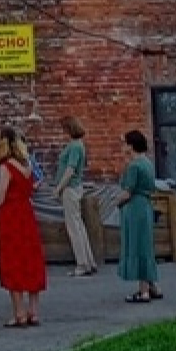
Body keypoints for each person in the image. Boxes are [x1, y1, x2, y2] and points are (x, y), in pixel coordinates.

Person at [0, 126, 47, 327]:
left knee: (13, 261)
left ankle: (19, 312)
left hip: (10, 215)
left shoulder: (5, 166)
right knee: (31, 259)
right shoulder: (28, 165)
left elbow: (0, 196)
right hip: (26, 213)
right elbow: (32, 187)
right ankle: (34, 311)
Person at [116, 130, 161, 304]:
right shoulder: (147, 163)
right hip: (146, 206)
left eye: (124, 143)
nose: (122, 147)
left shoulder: (134, 166)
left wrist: (116, 202)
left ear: (131, 145)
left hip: (135, 207)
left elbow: (127, 191)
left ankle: (143, 291)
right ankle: (152, 285)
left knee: (136, 246)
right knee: (145, 245)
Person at [54, 117, 98, 276]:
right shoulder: (79, 145)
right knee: (79, 226)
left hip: (70, 189)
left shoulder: (73, 147)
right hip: (75, 188)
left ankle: (82, 264)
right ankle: (89, 261)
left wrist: (58, 188)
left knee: (74, 227)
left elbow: (70, 170)